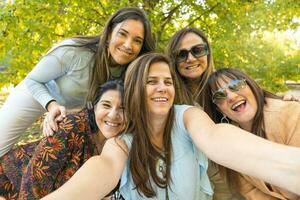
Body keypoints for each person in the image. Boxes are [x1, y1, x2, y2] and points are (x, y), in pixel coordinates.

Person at [41, 53, 300, 200]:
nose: (163, 87)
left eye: (168, 81)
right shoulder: (121, 143)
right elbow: (103, 169)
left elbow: (216, 138)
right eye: (151, 81)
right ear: (135, 90)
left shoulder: (187, 117)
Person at [0, 7, 155, 157]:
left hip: (72, 110)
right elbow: (33, 80)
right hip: (36, 93)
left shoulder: (129, 72)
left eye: (137, 40)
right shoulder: (75, 51)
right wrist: (51, 105)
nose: (128, 45)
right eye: (123, 34)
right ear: (108, 34)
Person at [0, 80, 126, 199]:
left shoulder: (123, 145)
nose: (113, 114)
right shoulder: (72, 126)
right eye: (106, 105)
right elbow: (34, 181)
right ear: (94, 106)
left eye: (123, 108)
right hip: (9, 185)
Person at [202, 68, 300, 199]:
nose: (231, 96)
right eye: (219, 95)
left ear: (251, 85)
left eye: (236, 85)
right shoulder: (228, 143)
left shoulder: (292, 114)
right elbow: (250, 192)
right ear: (219, 110)